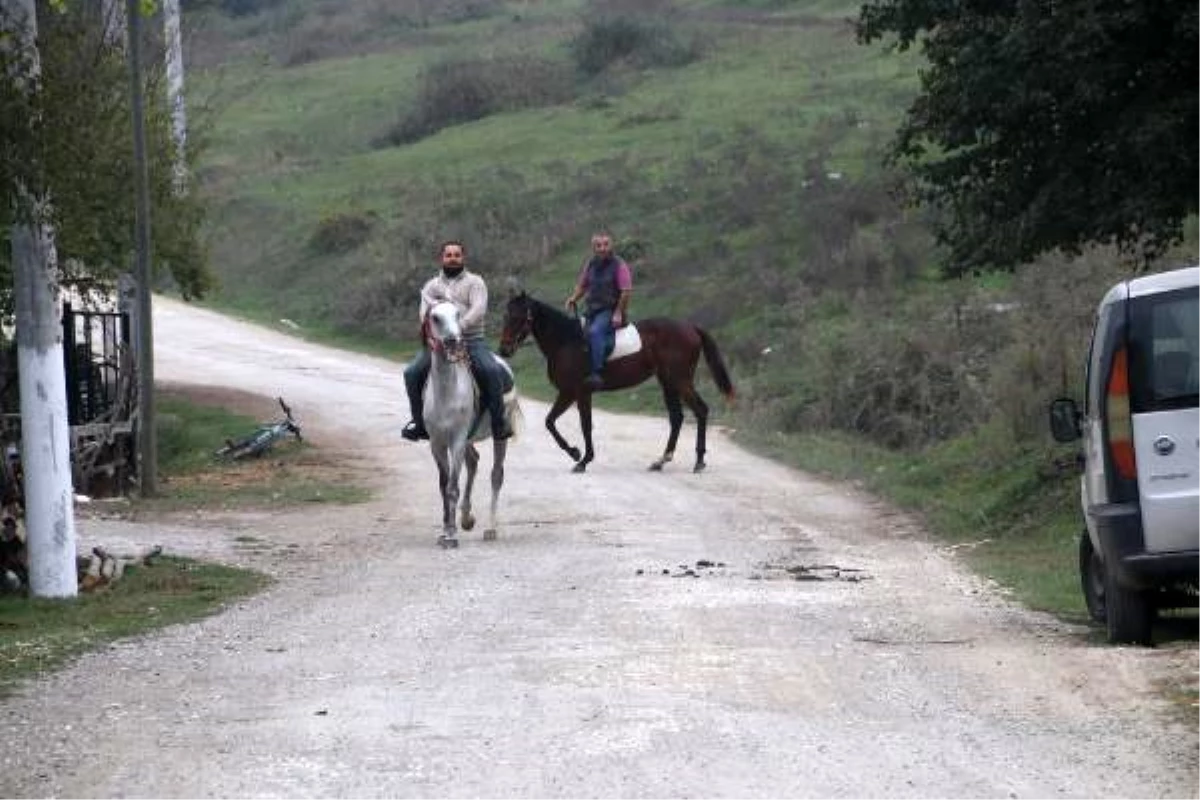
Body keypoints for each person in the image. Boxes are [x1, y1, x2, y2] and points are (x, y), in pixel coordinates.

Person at [401, 241, 513, 442]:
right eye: (448, 255)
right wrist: (430, 337)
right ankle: (418, 423)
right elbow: (424, 313)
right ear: (442, 258)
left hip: (471, 340)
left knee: (491, 370)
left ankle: (498, 422)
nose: (452, 258)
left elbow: (479, 309)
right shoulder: (432, 286)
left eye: (457, 255)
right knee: (411, 373)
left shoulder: (475, 282)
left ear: (463, 258)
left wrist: (458, 327)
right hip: (438, 344)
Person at [563, 231, 633, 389]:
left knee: (595, 332)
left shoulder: (619, 265)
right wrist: (573, 298)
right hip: (591, 310)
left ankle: (597, 374)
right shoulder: (590, 264)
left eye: (606, 244)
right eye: (598, 245)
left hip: (609, 310)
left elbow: (626, 291)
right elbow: (583, 285)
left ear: (611, 245)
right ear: (593, 247)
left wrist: (618, 313)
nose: (602, 248)